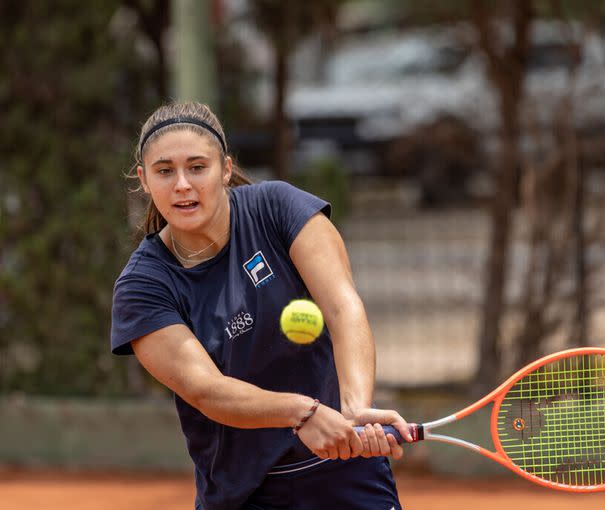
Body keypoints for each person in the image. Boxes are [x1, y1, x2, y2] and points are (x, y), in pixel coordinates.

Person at [110, 101, 412, 510]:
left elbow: (344, 307)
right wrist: (302, 413)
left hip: (346, 473)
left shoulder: (279, 208)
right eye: (165, 171)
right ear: (145, 181)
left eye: (198, 167)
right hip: (244, 493)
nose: (182, 184)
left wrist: (356, 410)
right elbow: (206, 390)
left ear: (226, 169)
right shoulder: (143, 285)